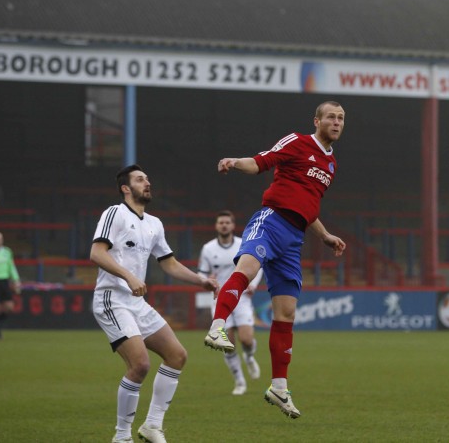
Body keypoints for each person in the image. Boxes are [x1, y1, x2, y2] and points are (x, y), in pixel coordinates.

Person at [203, 101, 347, 419]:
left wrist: (324, 236)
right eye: (331, 117)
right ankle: (217, 326)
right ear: (317, 121)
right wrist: (234, 162)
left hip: (294, 238)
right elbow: (260, 162)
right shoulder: (297, 141)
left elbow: (308, 208)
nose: (336, 123)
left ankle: (278, 387)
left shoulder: (332, 165)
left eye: (341, 118)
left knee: (286, 313)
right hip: (271, 221)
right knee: (247, 267)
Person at [90, 164, 218, 443]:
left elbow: (169, 263)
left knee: (177, 356)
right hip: (112, 298)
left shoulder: (154, 224)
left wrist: (201, 280)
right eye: (139, 179)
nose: (147, 183)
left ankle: (152, 426)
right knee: (140, 365)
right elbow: (97, 253)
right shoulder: (115, 213)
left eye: (147, 178)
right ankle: (121, 436)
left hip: (136, 302)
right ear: (126, 188)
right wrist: (128, 276)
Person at [198, 210, 263, 396]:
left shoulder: (244, 244)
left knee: (246, 339)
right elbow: (202, 273)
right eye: (221, 222)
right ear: (216, 226)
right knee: (228, 343)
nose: (224, 225)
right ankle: (240, 381)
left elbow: (258, 267)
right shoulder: (208, 249)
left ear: (233, 225)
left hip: (241, 297)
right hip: (219, 298)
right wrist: (206, 280)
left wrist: (253, 284)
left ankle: (249, 357)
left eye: (227, 222)